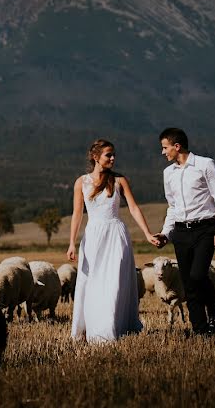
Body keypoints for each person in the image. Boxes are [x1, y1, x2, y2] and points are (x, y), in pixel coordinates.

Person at [67, 139, 162, 342]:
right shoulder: (81, 182)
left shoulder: (119, 181)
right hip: (93, 236)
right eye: (108, 155)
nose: (113, 158)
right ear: (96, 157)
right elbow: (77, 214)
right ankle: (90, 329)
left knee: (115, 283)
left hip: (116, 236)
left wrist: (146, 233)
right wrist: (71, 243)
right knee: (92, 284)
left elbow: (134, 208)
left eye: (113, 154)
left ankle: (111, 329)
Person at [154, 127, 215, 337]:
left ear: (177, 146)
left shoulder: (205, 165)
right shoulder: (168, 173)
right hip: (180, 231)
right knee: (188, 284)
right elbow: (172, 207)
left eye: (165, 147)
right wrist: (165, 233)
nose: (163, 152)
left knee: (198, 275)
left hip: (205, 229)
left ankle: (214, 310)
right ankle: (200, 329)